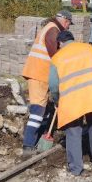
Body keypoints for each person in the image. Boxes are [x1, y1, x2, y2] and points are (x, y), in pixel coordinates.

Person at [49, 30, 92, 176]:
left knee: (74, 133)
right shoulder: (89, 49)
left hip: (72, 100)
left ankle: (76, 168)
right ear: (73, 40)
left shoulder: (57, 58)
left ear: (60, 43)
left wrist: (56, 100)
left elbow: (54, 86)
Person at [21, 10, 73, 155]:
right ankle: (28, 145)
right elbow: (55, 56)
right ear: (65, 21)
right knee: (38, 110)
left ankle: (38, 137)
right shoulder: (52, 30)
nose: (68, 27)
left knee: (43, 109)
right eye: (69, 24)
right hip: (39, 74)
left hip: (42, 74)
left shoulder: (50, 27)